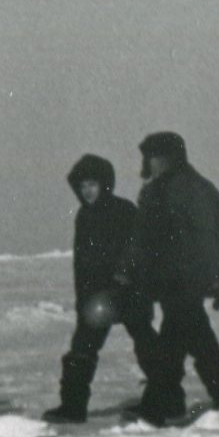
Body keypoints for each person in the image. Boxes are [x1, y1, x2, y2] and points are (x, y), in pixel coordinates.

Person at [130, 130, 219, 425]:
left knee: (176, 344)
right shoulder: (155, 191)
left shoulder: (194, 190)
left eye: (158, 157)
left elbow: (213, 237)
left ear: (173, 158)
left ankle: (160, 406)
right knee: (194, 341)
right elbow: (142, 239)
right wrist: (130, 271)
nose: (153, 163)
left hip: (187, 280)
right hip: (167, 281)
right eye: (150, 157)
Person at [45, 153, 149, 422]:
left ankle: (165, 399)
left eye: (92, 184)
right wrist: (83, 299)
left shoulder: (124, 210)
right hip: (96, 298)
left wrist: (123, 277)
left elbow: (138, 247)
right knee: (81, 349)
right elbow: (83, 264)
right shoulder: (84, 216)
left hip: (129, 292)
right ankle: (73, 407)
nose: (87, 191)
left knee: (147, 345)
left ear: (105, 184)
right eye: (82, 186)